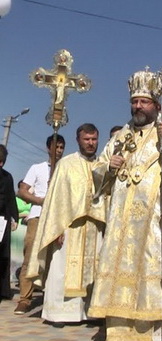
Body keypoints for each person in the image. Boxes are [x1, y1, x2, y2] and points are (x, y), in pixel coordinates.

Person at [88, 69, 162, 341]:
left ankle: (155, 339)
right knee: (123, 277)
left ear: (156, 106)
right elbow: (99, 175)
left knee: (153, 279)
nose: (138, 107)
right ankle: (124, 336)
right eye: (134, 102)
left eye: (144, 102)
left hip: (154, 225)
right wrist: (107, 168)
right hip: (122, 225)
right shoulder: (120, 137)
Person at [26, 123, 105, 323]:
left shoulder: (102, 165)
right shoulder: (66, 164)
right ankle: (59, 313)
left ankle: (89, 313)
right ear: (78, 140)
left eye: (94, 139)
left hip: (95, 228)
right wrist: (57, 228)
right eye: (86, 139)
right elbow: (56, 200)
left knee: (93, 270)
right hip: (69, 227)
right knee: (62, 269)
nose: (90, 143)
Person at [14, 133, 65, 315]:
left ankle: (51, 297)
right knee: (31, 258)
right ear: (48, 148)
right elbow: (22, 191)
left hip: (58, 219)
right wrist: (39, 200)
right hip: (38, 216)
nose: (58, 151)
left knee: (55, 259)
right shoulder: (37, 168)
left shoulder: (65, 168)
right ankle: (24, 299)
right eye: (55, 147)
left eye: (61, 148)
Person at [0, 144, 19, 301]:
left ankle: (3, 290)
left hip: (2, 221)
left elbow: (11, 198)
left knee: (3, 256)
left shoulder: (7, 177)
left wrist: (15, 217)